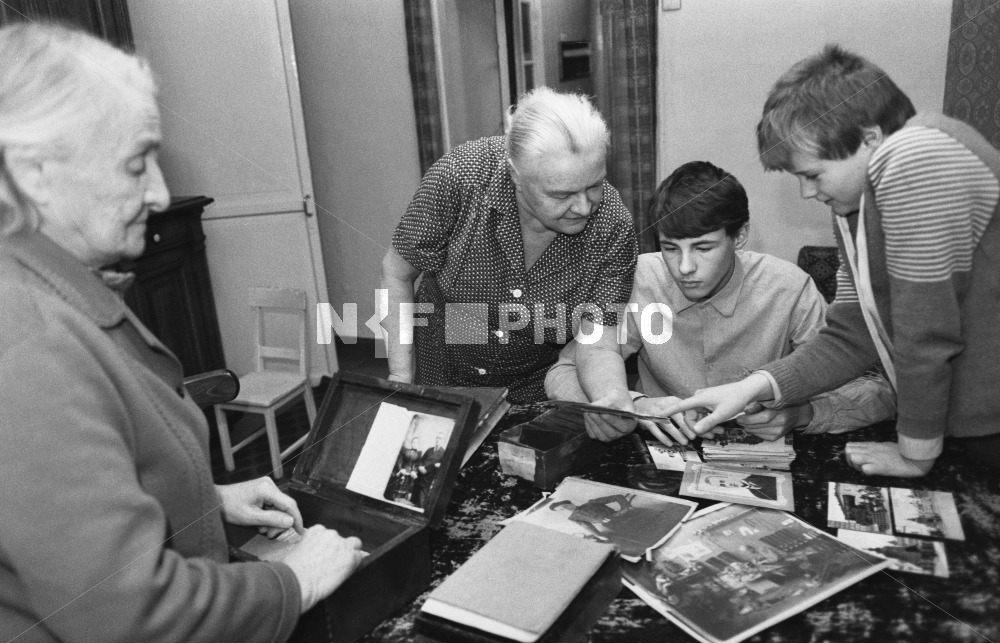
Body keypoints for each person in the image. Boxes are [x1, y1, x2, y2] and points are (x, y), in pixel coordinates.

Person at [0, 23, 363, 643]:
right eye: (137, 163)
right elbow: (132, 618)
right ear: (34, 173)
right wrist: (295, 581)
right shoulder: (26, 340)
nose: (160, 192)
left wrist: (203, 499)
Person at [663, 45, 1000, 477]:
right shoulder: (853, 207)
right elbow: (849, 333)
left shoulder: (915, 156)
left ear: (870, 139)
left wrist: (915, 453)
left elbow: (925, 331)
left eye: (812, 174)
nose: (807, 192)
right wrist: (753, 387)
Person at [545, 161, 894, 444]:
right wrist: (634, 405)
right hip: (661, 464)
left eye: (703, 248)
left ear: (739, 236)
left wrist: (802, 415)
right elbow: (562, 373)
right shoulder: (638, 279)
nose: (684, 268)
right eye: (670, 248)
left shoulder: (790, 290)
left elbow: (879, 391)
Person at [382, 86, 638, 403]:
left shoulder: (613, 225)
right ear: (516, 176)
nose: (585, 207)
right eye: (561, 195)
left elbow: (597, 341)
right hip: (442, 365)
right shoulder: (460, 178)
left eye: (595, 185)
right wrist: (400, 380)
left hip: (533, 380)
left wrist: (613, 398)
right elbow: (398, 273)